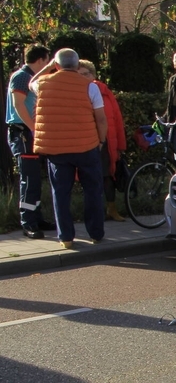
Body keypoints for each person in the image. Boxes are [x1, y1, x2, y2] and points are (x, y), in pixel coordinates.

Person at [30, 48, 106, 249]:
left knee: (61, 192)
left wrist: (46, 68)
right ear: (77, 65)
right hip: (86, 146)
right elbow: (100, 118)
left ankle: (66, 237)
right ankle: (96, 233)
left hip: (57, 149)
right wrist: (101, 141)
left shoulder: (43, 84)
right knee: (93, 190)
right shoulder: (90, 87)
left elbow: (31, 83)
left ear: (55, 65)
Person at [5, 45, 54, 238]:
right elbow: (18, 105)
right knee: (28, 178)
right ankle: (28, 222)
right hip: (23, 132)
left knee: (34, 178)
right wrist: (33, 127)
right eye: (48, 61)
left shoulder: (29, 77)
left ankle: (36, 217)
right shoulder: (22, 76)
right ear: (41, 60)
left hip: (29, 132)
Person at [78, 60, 126, 221]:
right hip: (86, 142)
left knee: (108, 176)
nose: (84, 77)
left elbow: (116, 119)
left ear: (93, 74)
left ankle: (111, 209)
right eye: (80, 74)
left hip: (105, 142)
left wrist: (120, 144)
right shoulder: (76, 92)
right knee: (90, 178)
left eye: (86, 73)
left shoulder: (104, 91)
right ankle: (94, 213)